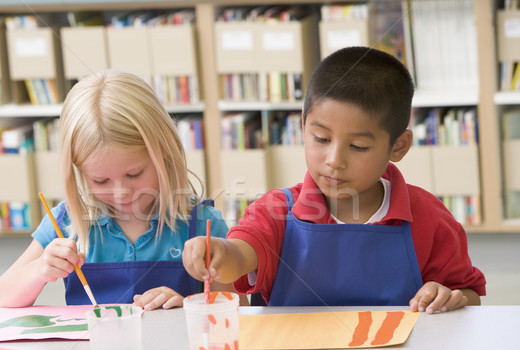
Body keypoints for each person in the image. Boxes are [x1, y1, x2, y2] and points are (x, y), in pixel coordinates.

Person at [183, 46, 486, 314]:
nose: (334, 160)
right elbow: (241, 254)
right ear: (302, 127)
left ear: (398, 146)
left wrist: (448, 298)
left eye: (358, 147)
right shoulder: (276, 211)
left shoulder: (430, 219)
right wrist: (219, 253)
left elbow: (470, 298)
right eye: (321, 138)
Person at [0, 70, 234, 310]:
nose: (121, 192)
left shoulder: (203, 225)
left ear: (165, 152)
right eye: (101, 181)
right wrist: (39, 269)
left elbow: (237, 311)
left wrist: (188, 305)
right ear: (78, 171)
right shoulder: (66, 223)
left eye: (134, 174)